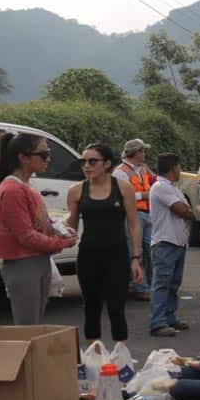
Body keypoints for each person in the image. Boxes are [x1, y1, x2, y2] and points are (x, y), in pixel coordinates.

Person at [0, 131, 77, 325]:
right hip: (24, 264)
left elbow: (39, 222)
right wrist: (60, 243)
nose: (48, 158)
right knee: (28, 327)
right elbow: (26, 236)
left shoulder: (27, 185)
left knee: (34, 326)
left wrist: (59, 229)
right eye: (43, 154)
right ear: (23, 158)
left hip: (37, 261)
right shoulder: (12, 189)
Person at [66, 143, 145, 346]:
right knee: (91, 306)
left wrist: (135, 258)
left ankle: (121, 357)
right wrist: (56, 230)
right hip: (88, 255)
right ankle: (95, 357)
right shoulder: (76, 191)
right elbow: (71, 226)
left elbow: (134, 225)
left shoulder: (122, 187)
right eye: (84, 161)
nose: (87, 166)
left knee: (116, 306)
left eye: (93, 161)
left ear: (107, 163)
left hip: (116, 255)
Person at [148, 153, 195, 337]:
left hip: (177, 241)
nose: (180, 171)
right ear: (173, 168)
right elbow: (183, 210)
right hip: (165, 242)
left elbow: (186, 210)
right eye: (178, 167)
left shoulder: (172, 188)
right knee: (162, 283)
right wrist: (189, 212)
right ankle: (158, 322)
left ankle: (169, 317)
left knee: (173, 283)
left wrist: (189, 211)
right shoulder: (161, 187)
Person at [114, 139, 156, 300]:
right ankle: (140, 287)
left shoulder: (142, 168)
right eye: (143, 151)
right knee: (135, 252)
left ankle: (151, 285)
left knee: (150, 250)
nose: (145, 154)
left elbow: (154, 180)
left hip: (147, 213)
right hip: (133, 214)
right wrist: (143, 195)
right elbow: (121, 196)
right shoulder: (120, 172)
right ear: (136, 153)